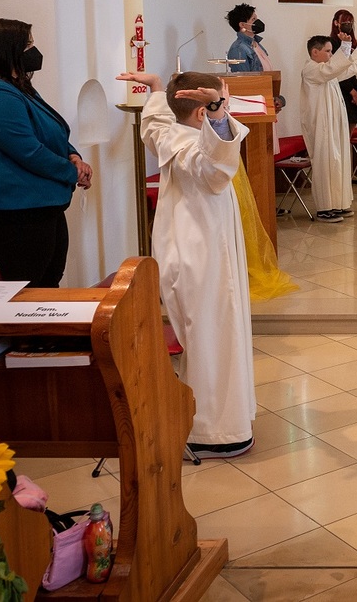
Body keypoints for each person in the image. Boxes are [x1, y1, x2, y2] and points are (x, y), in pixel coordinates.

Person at [116, 70, 254, 459]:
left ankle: (210, 420)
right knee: (214, 335)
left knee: (204, 333)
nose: (226, 105)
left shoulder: (171, 134)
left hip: (186, 249)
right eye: (221, 99)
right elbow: (215, 172)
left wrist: (157, 89)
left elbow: (154, 123)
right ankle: (217, 431)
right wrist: (219, 114)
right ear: (202, 113)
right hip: (204, 256)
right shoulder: (194, 147)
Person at [0, 19, 92, 287]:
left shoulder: (18, 86)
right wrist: (72, 172)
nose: (33, 50)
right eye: (28, 45)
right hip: (14, 206)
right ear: (8, 49)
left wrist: (73, 156)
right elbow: (28, 151)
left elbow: (50, 130)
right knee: (29, 288)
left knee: (49, 280)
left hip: (40, 202)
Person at [300, 31, 357, 222]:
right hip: (322, 126)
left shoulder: (327, 71)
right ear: (315, 52)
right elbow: (333, 68)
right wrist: (346, 46)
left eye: (332, 51)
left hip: (334, 124)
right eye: (328, 51)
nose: (331, 55)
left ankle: (338, 204)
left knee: (338, 162)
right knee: (326, 164)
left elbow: (347, 69)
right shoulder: (312, 69)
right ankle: (324, 208)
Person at [329, 9, 357, 126]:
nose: (348, 25)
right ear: (336, 23)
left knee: (352, 125)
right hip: (343, 91)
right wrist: (353, 93)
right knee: (342, 128)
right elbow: (338, 70)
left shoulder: (355, 44)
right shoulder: (331, 43)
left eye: (350, 22)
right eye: (345, 22)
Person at [225, 3, 272, 73]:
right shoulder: (238, 49)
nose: (257, 22)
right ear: (242, 25)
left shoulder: (256, 44)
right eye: (253, 19)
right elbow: (244, 78)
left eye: (256, 18)